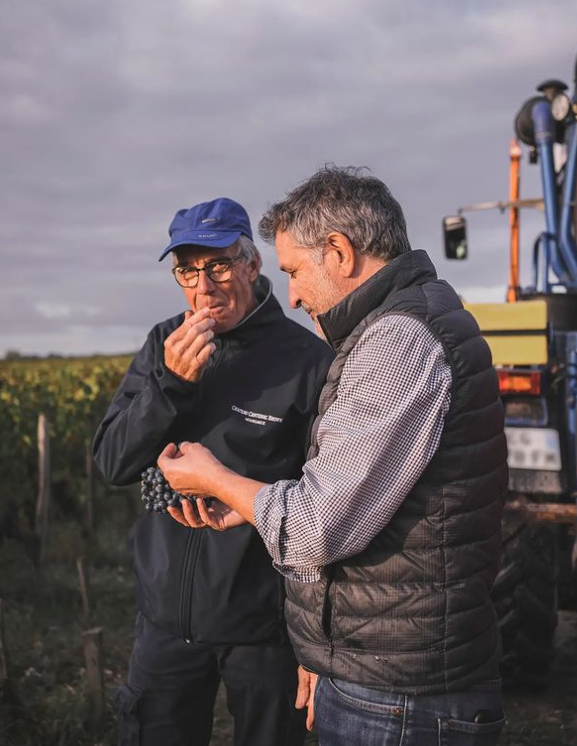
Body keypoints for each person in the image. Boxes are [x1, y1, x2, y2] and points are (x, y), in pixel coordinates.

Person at [159, 167, 509, 746]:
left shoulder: (398, 340)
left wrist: (217, 480)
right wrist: (324, 653)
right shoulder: (408, 319)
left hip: (400, 700)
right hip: (387, 674)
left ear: (340, 252)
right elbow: (365, 512)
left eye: (295, 271)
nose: (291, 295)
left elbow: (319, 528)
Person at [92, 197, 333, 746]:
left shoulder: (305, 361)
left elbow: (323, 500)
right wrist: (170, 386)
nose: (204, 285)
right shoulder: (163, 346)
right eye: (188, 270)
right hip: (166, 620)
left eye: (219, 264)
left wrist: (314, 644)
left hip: (263, 628)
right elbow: (113, 461)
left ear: (252, 264)